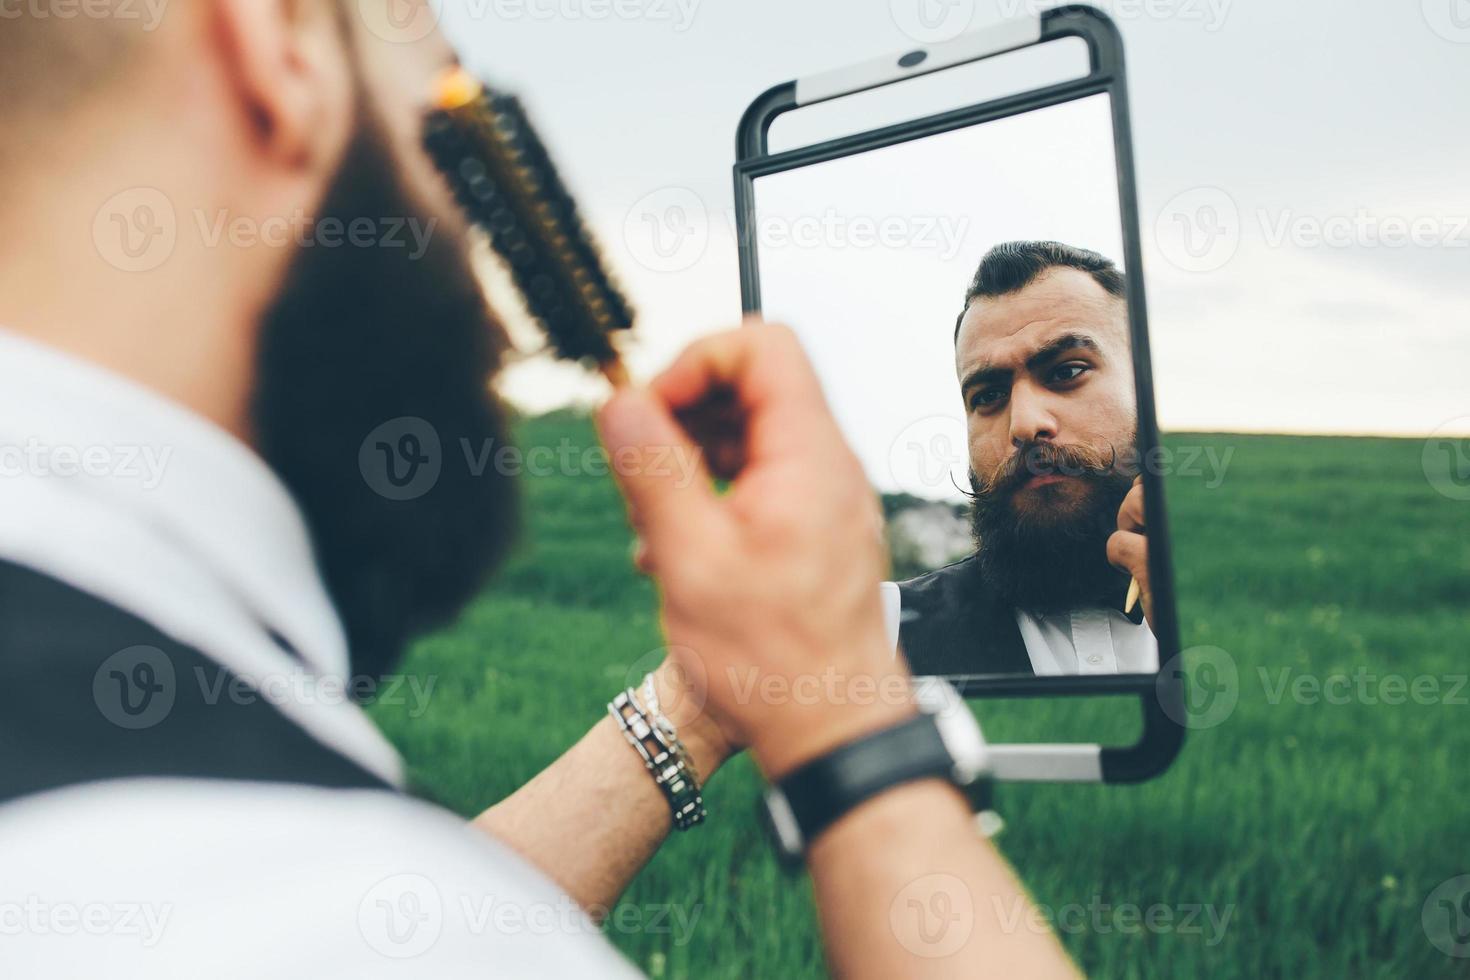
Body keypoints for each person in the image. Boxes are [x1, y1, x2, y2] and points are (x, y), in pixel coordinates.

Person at [0, 3, 1077, 977]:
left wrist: (700, 700)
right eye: (453, 104)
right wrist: (857, 743)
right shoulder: (283, 897)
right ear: (281, 49)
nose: (489, 282)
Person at [886, 242, 1158, 678]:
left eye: (1067, 371)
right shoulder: (878, 634)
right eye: (989, 396)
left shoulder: (1244, 606)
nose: (1025, 424)